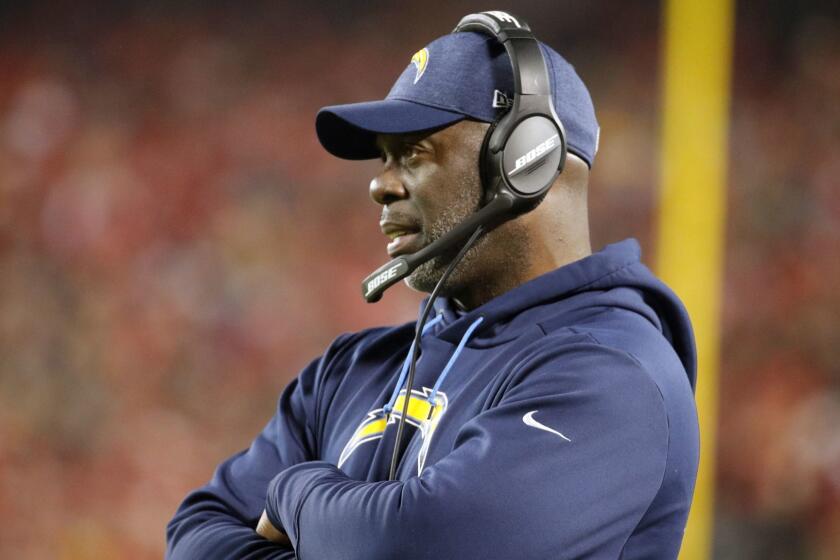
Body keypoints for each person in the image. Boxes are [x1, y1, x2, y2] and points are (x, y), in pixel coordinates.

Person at [166, 12, 699, 560]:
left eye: (414, 153)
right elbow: (196, 530)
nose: (379, 184)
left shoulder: (613, 375)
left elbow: (420, 544)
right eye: (383, 157)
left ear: (525, 161)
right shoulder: (352, 369)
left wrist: (293, 496)